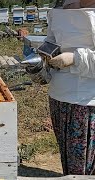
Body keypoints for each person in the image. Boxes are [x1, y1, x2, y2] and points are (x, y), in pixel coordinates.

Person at [46, 0, 95, 175]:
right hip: (59, 100)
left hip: (87, 103)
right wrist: (44, 62)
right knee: (70, 167)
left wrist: (76, 58)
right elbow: (51, 40)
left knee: (84, 171)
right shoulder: (62, 4)